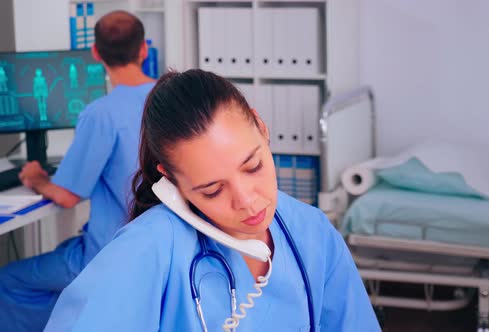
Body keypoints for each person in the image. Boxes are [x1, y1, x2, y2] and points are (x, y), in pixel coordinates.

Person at [44, 69, 381, 331]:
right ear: (172, 182)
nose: (247, 201)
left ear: (261, 128)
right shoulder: (149, 247)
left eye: (253, 166)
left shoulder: (312, 232)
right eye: (212, 190)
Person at [0, 11, 155, 331]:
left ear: (95, 53)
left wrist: (35, 177)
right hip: (154, 249)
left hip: (108, 255)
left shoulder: (100, 114)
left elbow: (68, 196)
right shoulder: (168, 101)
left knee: (8, 282)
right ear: (144, 49)